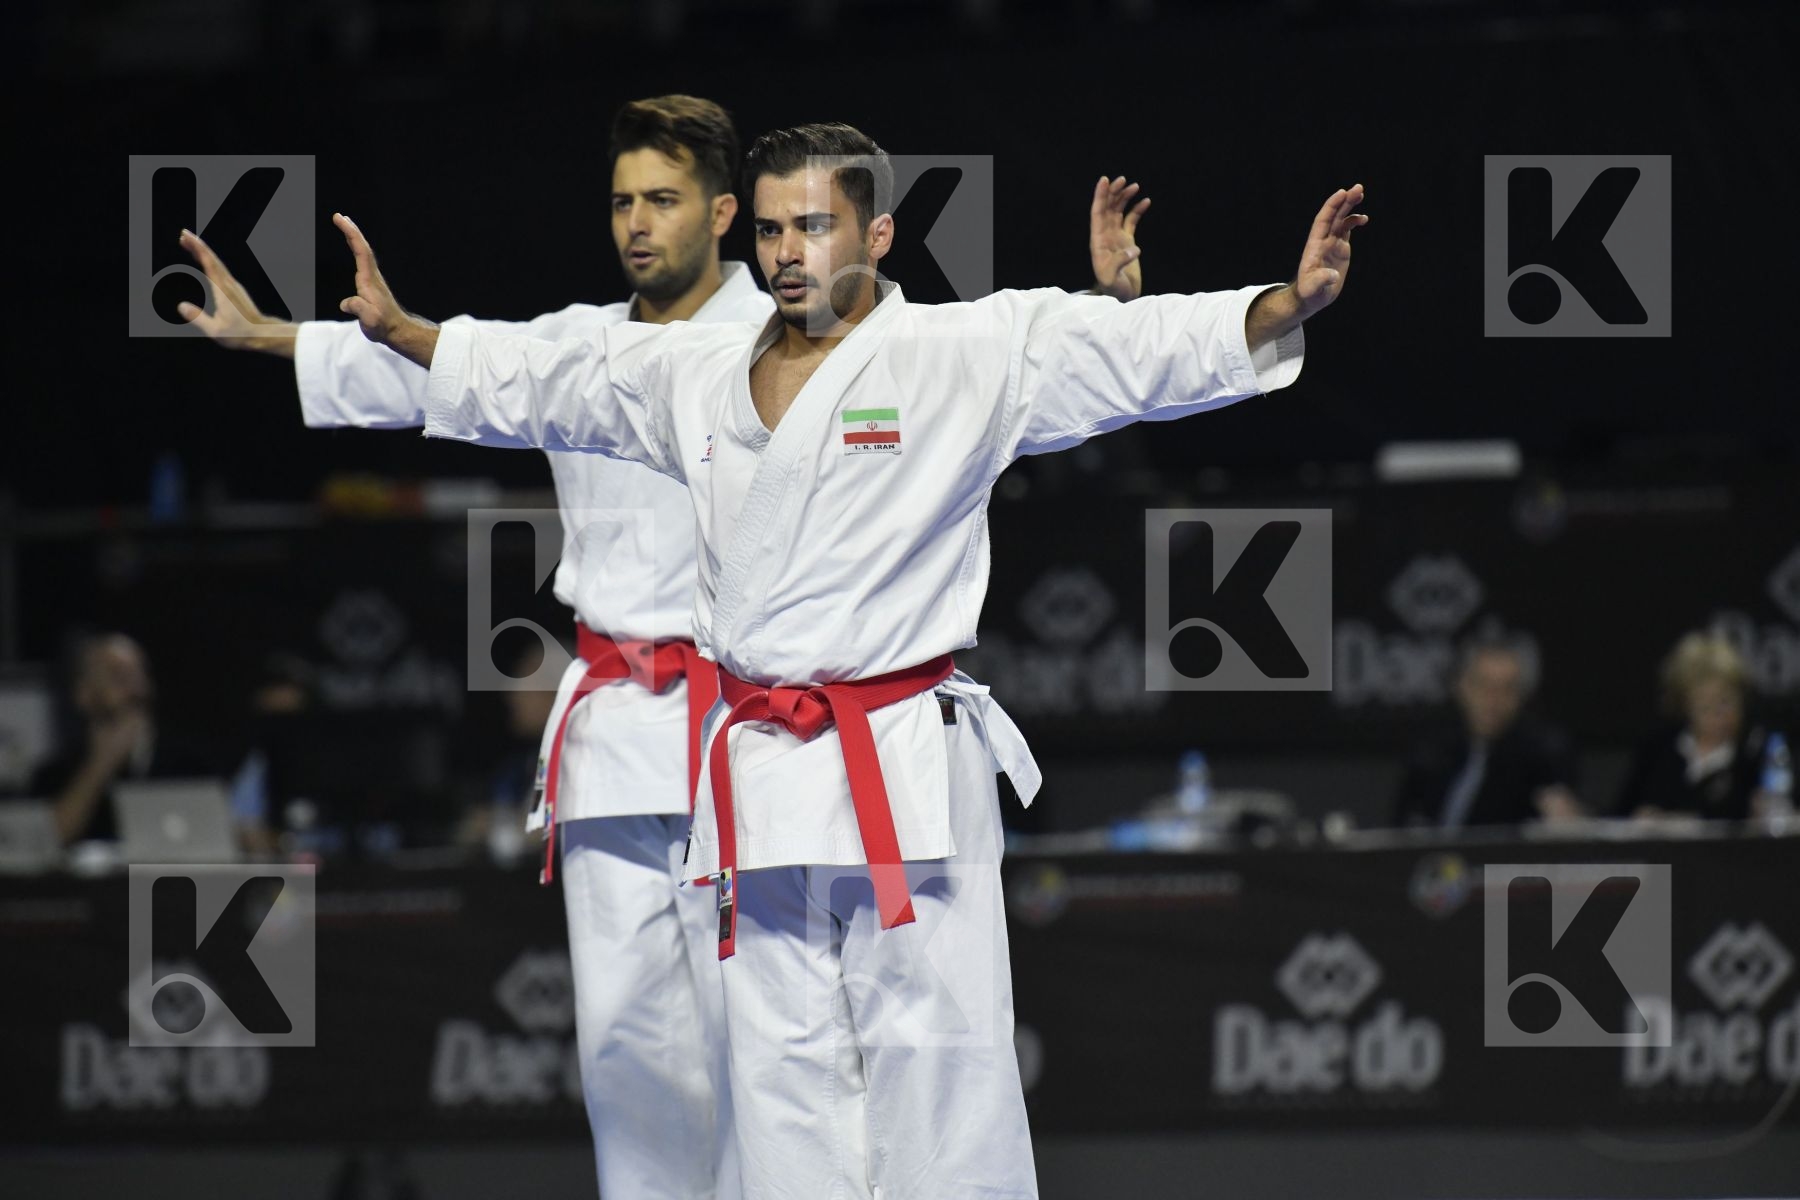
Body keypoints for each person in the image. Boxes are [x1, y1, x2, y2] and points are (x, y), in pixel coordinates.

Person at [332, 121, 1350, 1199]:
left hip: (902, 760)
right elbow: (551, 381)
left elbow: (1126, 357)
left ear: (879, 231)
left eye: (813, 225)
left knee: (942, 1075)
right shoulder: (696, 371)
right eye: (769, 228)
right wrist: (404, 333)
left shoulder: (957, 353)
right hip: (762, 771)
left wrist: (1287, 304)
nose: (785, 252)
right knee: (780, 1081)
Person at [178, 106, 1147, 1200]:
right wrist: (272, 337)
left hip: (755, 721)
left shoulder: (805, 332)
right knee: (633, 1053)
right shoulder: (592, 345)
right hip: (624, 728)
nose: (637, 226)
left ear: (728, 215)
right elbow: (450, 366)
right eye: (621, 202)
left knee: (784, 1050)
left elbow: (989, 375)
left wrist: (1110, 323)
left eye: (664, 201)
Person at [29, 632, 217, 845]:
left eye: (140, 675)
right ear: (83, 694)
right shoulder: (52, 775)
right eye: (119, 676)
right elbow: (43, 843)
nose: (136, 689)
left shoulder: (188, 766)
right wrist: (101, 766)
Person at [1393, 634, 1583, 829]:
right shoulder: (1433, 749)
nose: (1493, 700)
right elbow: (1404, 822)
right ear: (1462, 687)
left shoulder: (1543, 756)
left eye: (1506, 689)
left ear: (1523, 695)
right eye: (1483, 685)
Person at [1614, 630, 1784, 821]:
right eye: (1705, 707)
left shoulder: (1755, 753)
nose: (1719, 716)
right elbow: (1618, 815)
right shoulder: (1657, 750)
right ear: (1686, 706)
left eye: (1725, 702)